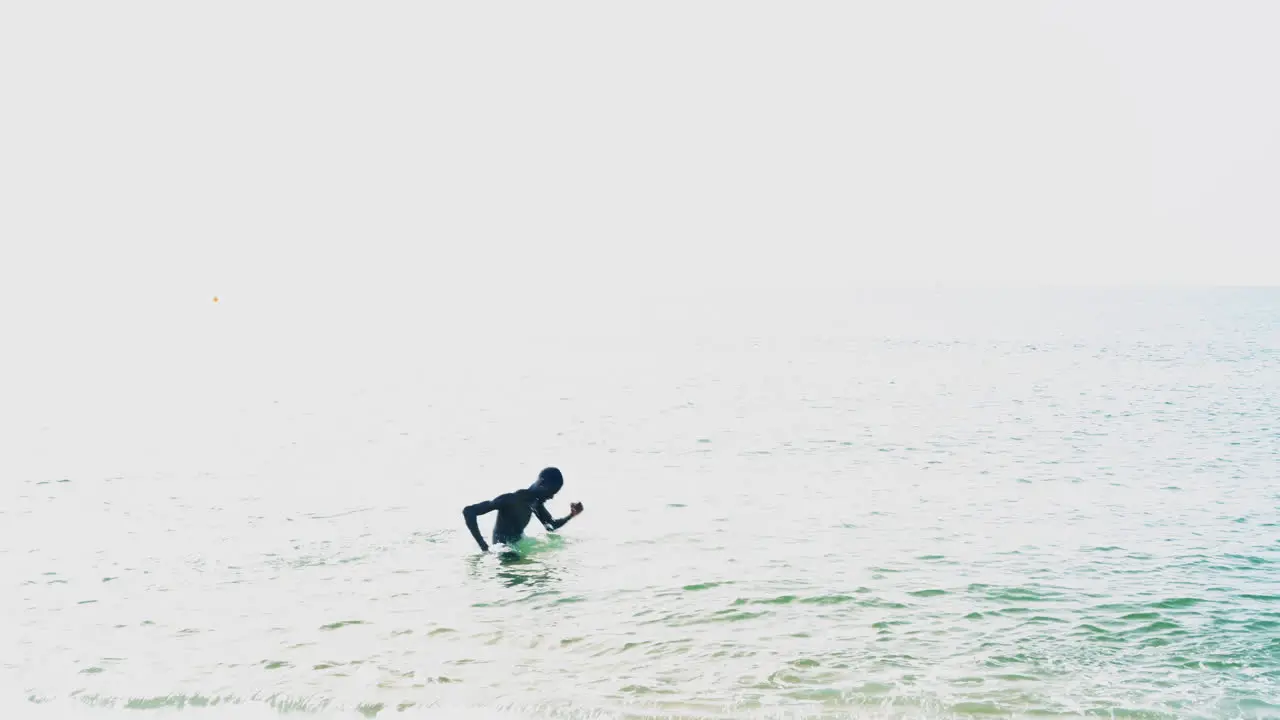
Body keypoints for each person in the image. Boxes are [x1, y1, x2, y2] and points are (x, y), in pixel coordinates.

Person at [462, 467, 584, 552]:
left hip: (518, 544)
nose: (551, 497)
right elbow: (469, 511)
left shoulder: (535, 503)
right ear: (541, 484)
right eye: (551, 492)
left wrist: (571, 515)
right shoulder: (511, 500)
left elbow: (550, 526)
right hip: (504, 550)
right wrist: (483, 546)